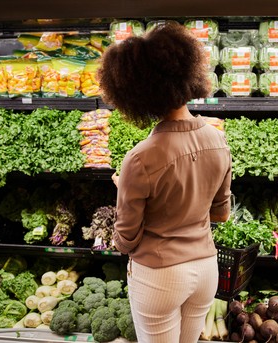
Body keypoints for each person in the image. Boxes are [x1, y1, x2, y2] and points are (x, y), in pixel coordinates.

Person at [97, 22, 232, 343]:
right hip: (205, 270)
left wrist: (124, 189)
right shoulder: (218, 140)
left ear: (134, 92)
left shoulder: (140, 158)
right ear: (188, 74)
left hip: (159, 276)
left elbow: (125, 240)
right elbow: (221, 214)